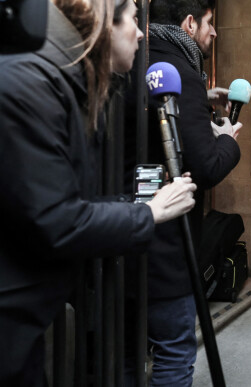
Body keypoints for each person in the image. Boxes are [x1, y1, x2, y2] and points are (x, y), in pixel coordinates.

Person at [0, 1, 197, 385]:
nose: (142, 33)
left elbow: (68, 200)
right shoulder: (32, 84)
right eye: (135, 20)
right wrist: (149, 213)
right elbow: (57, 221)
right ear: (105, 21)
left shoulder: (61, 82)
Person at [123, 0, 242, 385]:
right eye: (210, 22)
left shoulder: (130, 62)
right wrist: (227, 140)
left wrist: (199, 102)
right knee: (173, 353)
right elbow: (205, 167)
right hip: (167, 250)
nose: (215, 32)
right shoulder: (182, 73)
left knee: (125, 356)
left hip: (119, 240)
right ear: (189, 23)